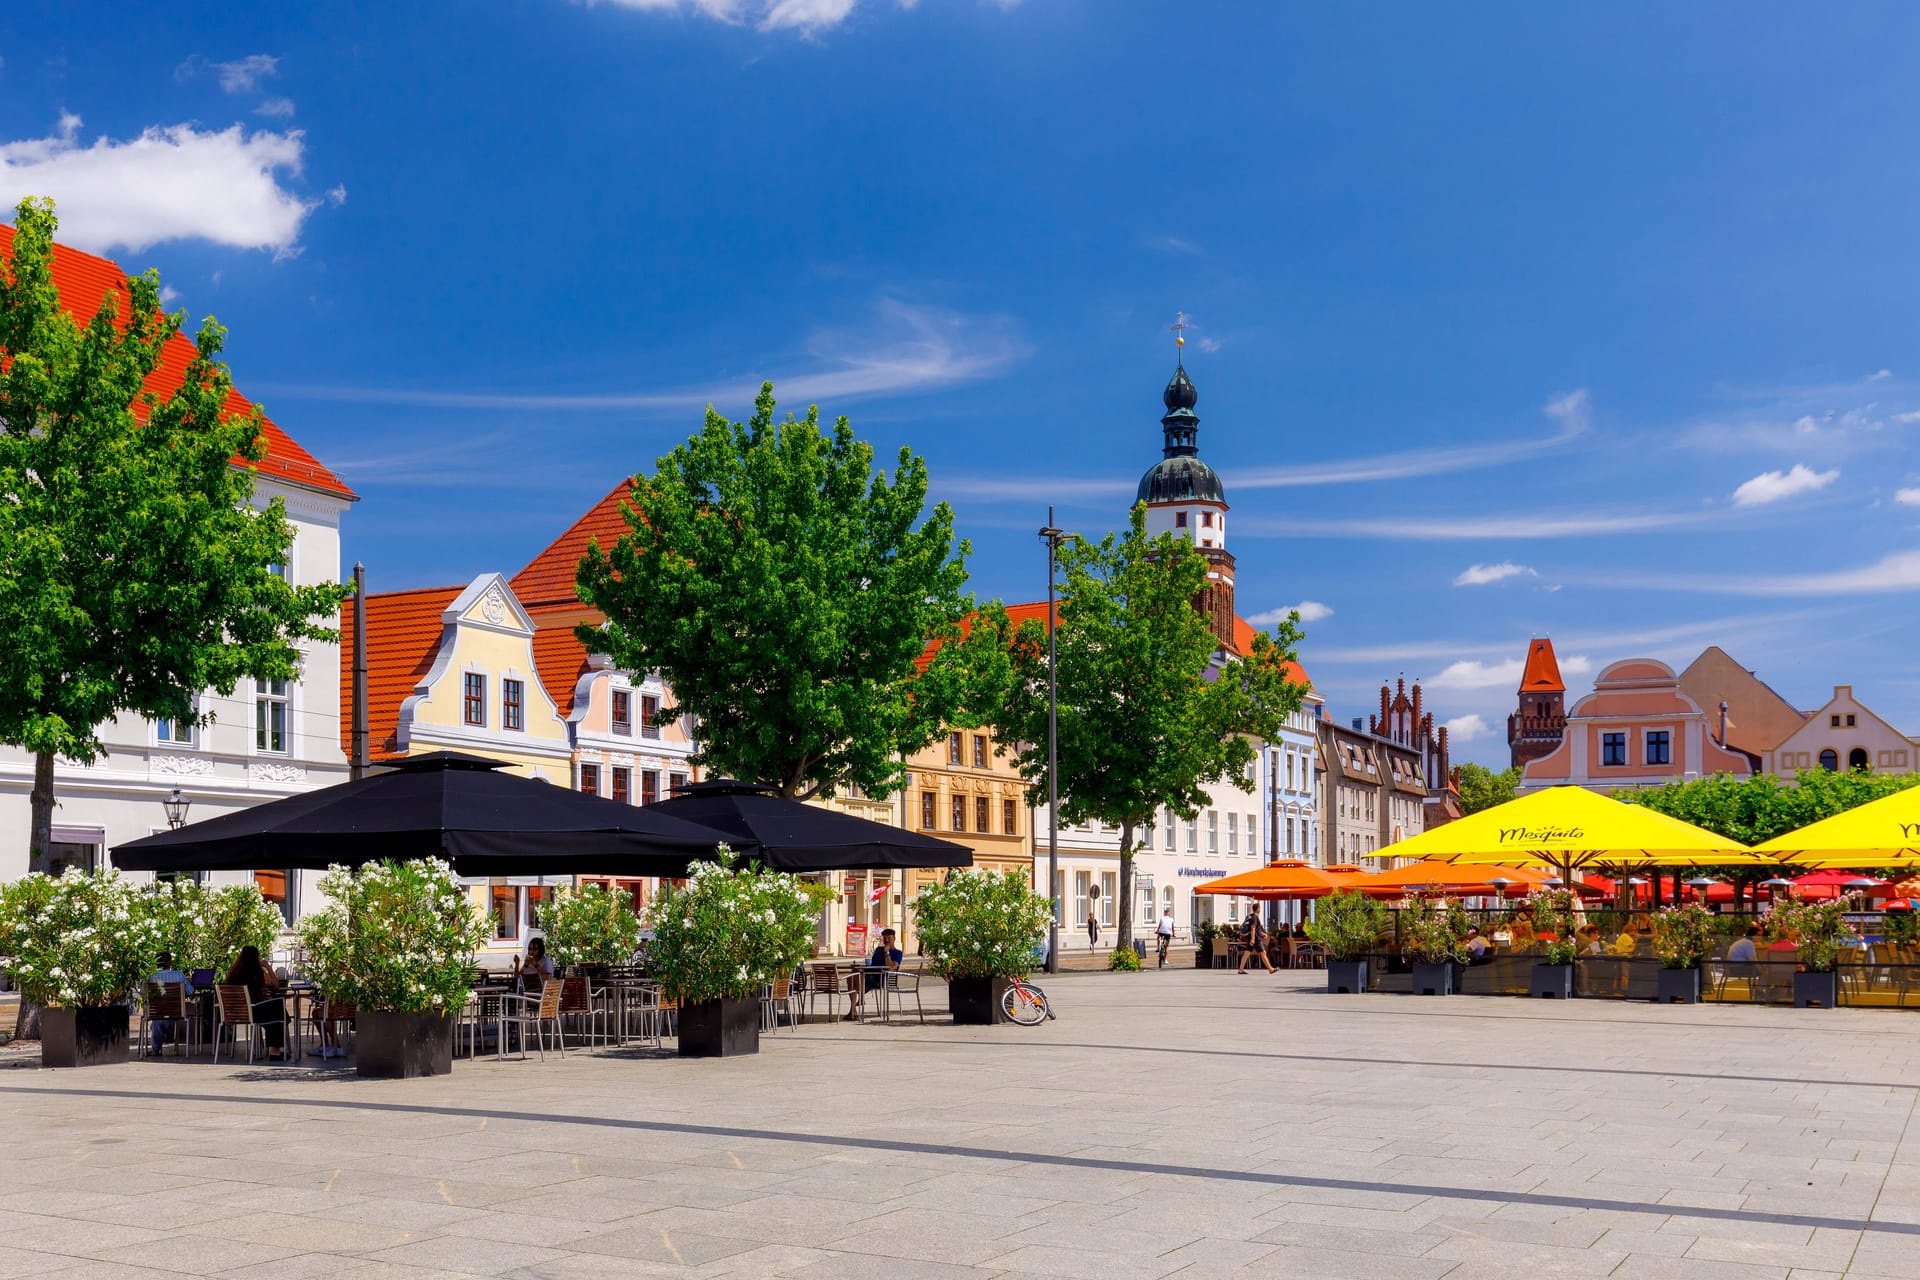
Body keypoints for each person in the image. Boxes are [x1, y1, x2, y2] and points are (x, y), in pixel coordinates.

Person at [224, 945, 287, 1061]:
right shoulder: (256, 973)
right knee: (279, 1009)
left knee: (275, 1013)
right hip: (253, 1011)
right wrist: (268, 967)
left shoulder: (234, 973)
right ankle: (275, 1052)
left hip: (237, 1013)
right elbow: (275, 985)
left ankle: (275, 1050)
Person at [847, 927, 903, 1020]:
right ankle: (855, 1007)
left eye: (889, 937)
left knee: (856, 979)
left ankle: (858, 1002)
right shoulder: (878, 950)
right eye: (884, 937)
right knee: (853, 974)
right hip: (869, 976)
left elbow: (891, 967)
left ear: (894, 938)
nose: (886, 940)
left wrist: (887, 953)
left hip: (881, 979)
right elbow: (873, 964)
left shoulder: (897, 953)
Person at [146, 951, 193, 1057]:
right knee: (164, 1020)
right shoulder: (179, 975)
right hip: (176, 1012)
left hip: (157, 1013)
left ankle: (156, 1049)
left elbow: (145, 996)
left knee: (157, 1022)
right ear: (169, 963)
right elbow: (191, 992)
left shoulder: (151, 977)